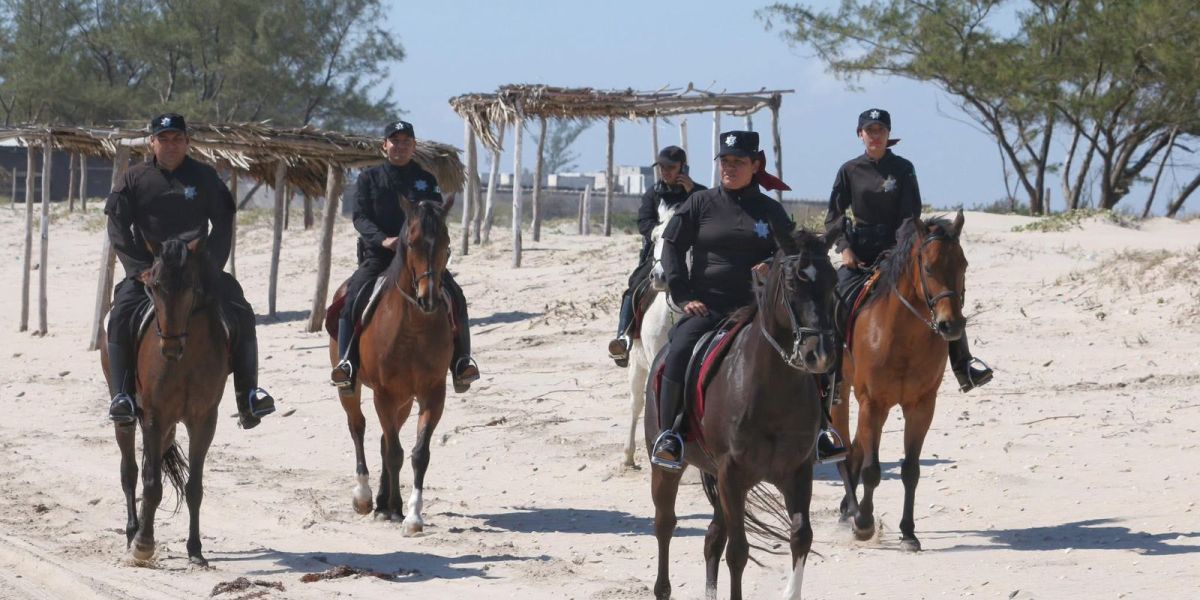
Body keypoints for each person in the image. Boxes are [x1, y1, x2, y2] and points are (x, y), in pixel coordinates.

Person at [105, 113, 275, 428]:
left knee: (241, 310)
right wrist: (138, 268)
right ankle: (123, 397)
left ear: (187, 142)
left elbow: (224, 222)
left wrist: (209, 265)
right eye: (164, 139)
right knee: (118, 316)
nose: (171, 145)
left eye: (177, 139)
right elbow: (116, 225)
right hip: (151, 273)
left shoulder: (205, 177)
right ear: (152, 142)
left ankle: (248, 395)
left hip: (196, 270)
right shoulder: (134, 179)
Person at [650, 131, 794, 470]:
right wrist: (684, 295)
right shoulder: (700, 203)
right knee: (679, 348)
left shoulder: (771, 210)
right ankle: (670, 434)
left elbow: (791, 251)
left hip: (758, 310)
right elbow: (671, 247)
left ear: (755, 165)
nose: (729, 168)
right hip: (709, 305)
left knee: (806, 348)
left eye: (738, 162)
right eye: (724, 162)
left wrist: (772, 264)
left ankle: (819, 430)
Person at [824, 108, 993, 395]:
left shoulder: (903, 168)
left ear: (888, 134)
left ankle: (963, 364)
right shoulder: (849, 170)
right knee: (835, 297)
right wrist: (845, 249)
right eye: (869, 130)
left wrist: (900, 251)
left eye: (880, 130)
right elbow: (834, 216)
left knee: (944, 292)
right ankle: (831, 376)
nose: (875, 135)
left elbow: (910, 215)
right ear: (860, 134)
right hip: (860, 253)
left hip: (899, 250)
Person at [330, 119, 479, 393]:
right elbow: (360, 218)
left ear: (413, 147)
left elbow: (434, 217)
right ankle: (347, 364)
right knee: (349, 299)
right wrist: (382, 240)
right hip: (379, 256)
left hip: (420, 258)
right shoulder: (368, 179)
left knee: (456, 296)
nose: (400, 147)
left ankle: (461, 363)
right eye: (395, 141)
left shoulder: (426, 180)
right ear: (384, 145)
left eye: (406, 142)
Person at [607, 145, 705, 366]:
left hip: (692, 252)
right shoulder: (653, 192)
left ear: (683, 167)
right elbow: (644, 221)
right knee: (634, 287)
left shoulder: (699, 192)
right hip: (657, 252)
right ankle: (623, 338)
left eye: (671, 167)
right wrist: (659, 231)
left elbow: (707, 214)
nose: (666, 171)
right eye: (662, 167)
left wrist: (693, 192)